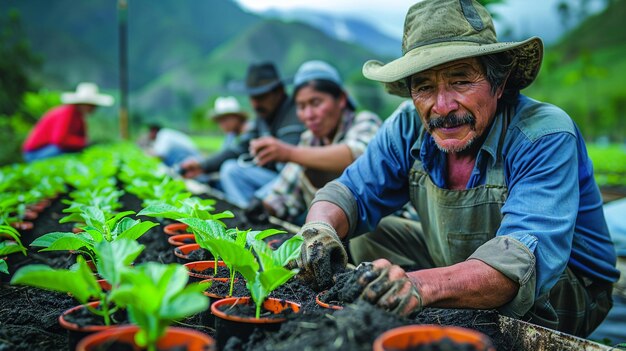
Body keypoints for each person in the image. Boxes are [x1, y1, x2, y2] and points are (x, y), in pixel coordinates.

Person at [293, 0, 620, 338]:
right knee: (371, 235)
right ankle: (439, 302)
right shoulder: (407, 125)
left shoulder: (543, 134)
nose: (443, 106)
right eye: (424, 87)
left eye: (461, 81)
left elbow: (521, 263)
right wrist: (318, 228)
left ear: (500, 81)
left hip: (560, 287)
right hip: (460, 258)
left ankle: (448, 313)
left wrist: (419, 285)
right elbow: (350, 190)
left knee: (520, 278)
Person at [244, 60, 382, 225]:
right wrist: (265, 207)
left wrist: (288, 153)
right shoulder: (309, 140)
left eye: (316, 103)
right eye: (301, 106)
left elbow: (358, 155)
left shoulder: (366, 122)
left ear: (341, 99)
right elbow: (287, 192)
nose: (308, 115)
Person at [180, 62, 305, 208]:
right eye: (252, 97)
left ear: (279, 91)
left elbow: (291, 167)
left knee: (232, 171)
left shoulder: (294, 115)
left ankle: (254, 218)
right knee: (230, 171)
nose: (255, 104)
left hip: (294, 182)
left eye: (261, 97)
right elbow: (241, 148)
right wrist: (203, 165)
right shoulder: (263, 117)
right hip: (274, 180)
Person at [22, 82, 114, 162]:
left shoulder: (79, 118)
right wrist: (84, 144)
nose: (94, 108)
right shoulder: (67, 113)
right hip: (35, 153)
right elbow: (60, 140)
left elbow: (82, 138)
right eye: (91, 105)